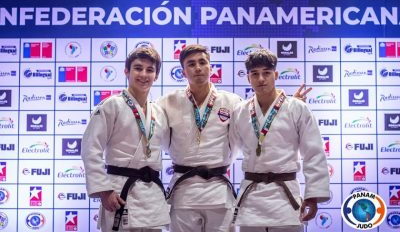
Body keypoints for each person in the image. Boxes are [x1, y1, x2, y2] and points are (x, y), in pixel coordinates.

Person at [157, 44, 311, 232]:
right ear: (183, 71)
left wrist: (287, 108)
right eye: (191, 64)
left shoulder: (232, 102)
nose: (198, 67)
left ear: (211, 68)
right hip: (183, 190)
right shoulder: (167, 102)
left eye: (202, 62)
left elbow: (251, 134)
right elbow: (158, 137)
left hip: (218, 191)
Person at [231, 49, 330, 232]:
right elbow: (228, 149)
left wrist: (313, 195)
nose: (261, 79)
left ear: (275, 75)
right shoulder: (240, 111)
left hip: (285, 197)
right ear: (248, 78)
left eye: (266, 73)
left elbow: (314, 153)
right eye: (255, 74)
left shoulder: (297, 108)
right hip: (251, 198)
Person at [81, 47, 170, 232]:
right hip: (120, 192)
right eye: (138, 68)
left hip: (151, 194)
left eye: (150, 70)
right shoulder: (111, 105)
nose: (144, 74)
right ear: (126, 71)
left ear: (156, 75)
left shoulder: (159, 112)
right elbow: (91, 149)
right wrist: (104, 190)